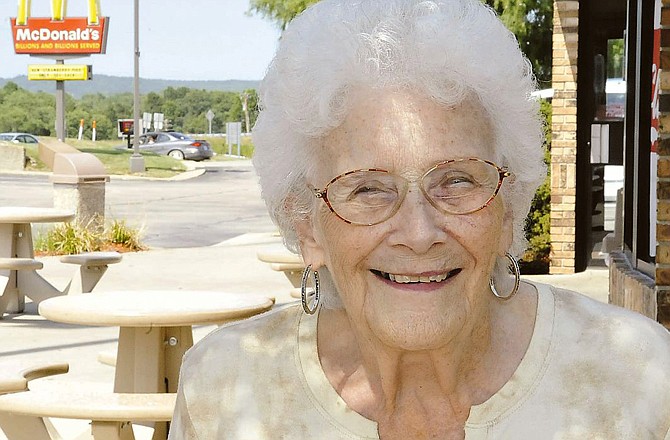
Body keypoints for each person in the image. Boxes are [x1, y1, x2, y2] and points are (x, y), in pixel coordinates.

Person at [169, 0, 670, 438]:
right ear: (307, 225)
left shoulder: (637, 378)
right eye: (367, 188)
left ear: (508, 205)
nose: (419, 233)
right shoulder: (223, 389)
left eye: (456, 181)